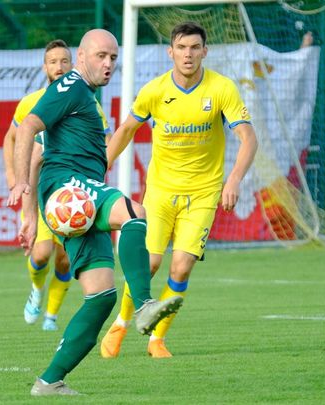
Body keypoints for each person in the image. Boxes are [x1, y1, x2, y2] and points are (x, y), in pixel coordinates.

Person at [8, 29, 183, 396]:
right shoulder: (71, 86)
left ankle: (49, 381)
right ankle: (144, 305)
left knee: (101, 296)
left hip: (73, 200)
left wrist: (31, 216)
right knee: (134, 212)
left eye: (113, 58)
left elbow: (43, 149)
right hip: (68, 190)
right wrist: (19, 184)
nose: (108, 64)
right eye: (101, 56)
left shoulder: (83, 96)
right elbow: (27, 128)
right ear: (82, 57)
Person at [100, 21, 258, 358]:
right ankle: (121, 324)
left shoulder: (222, 88)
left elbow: (248, 139)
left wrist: (233, 180)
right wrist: (101, 167)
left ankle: (157, 340)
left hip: (203, 193)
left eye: (194, 48)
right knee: (150, 264)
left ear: (205, 51)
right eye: (182, 48)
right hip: (160, 192)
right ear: (170, 52)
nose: (188, 54)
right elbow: (126, 130)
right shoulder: (154, 91)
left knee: (182, 267)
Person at [4, 39, 102, 331]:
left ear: (73, 64)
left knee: (63, 261)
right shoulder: (31, 103)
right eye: (53, 62)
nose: (59, 67)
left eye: (64, 61)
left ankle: (51, 316)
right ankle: (36, 289)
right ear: (44, 67)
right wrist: (13, 176)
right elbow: (12, 137)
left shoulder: (87, 99)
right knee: (40, 253)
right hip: (41, 190)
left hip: (72, 192)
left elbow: (105, 140)